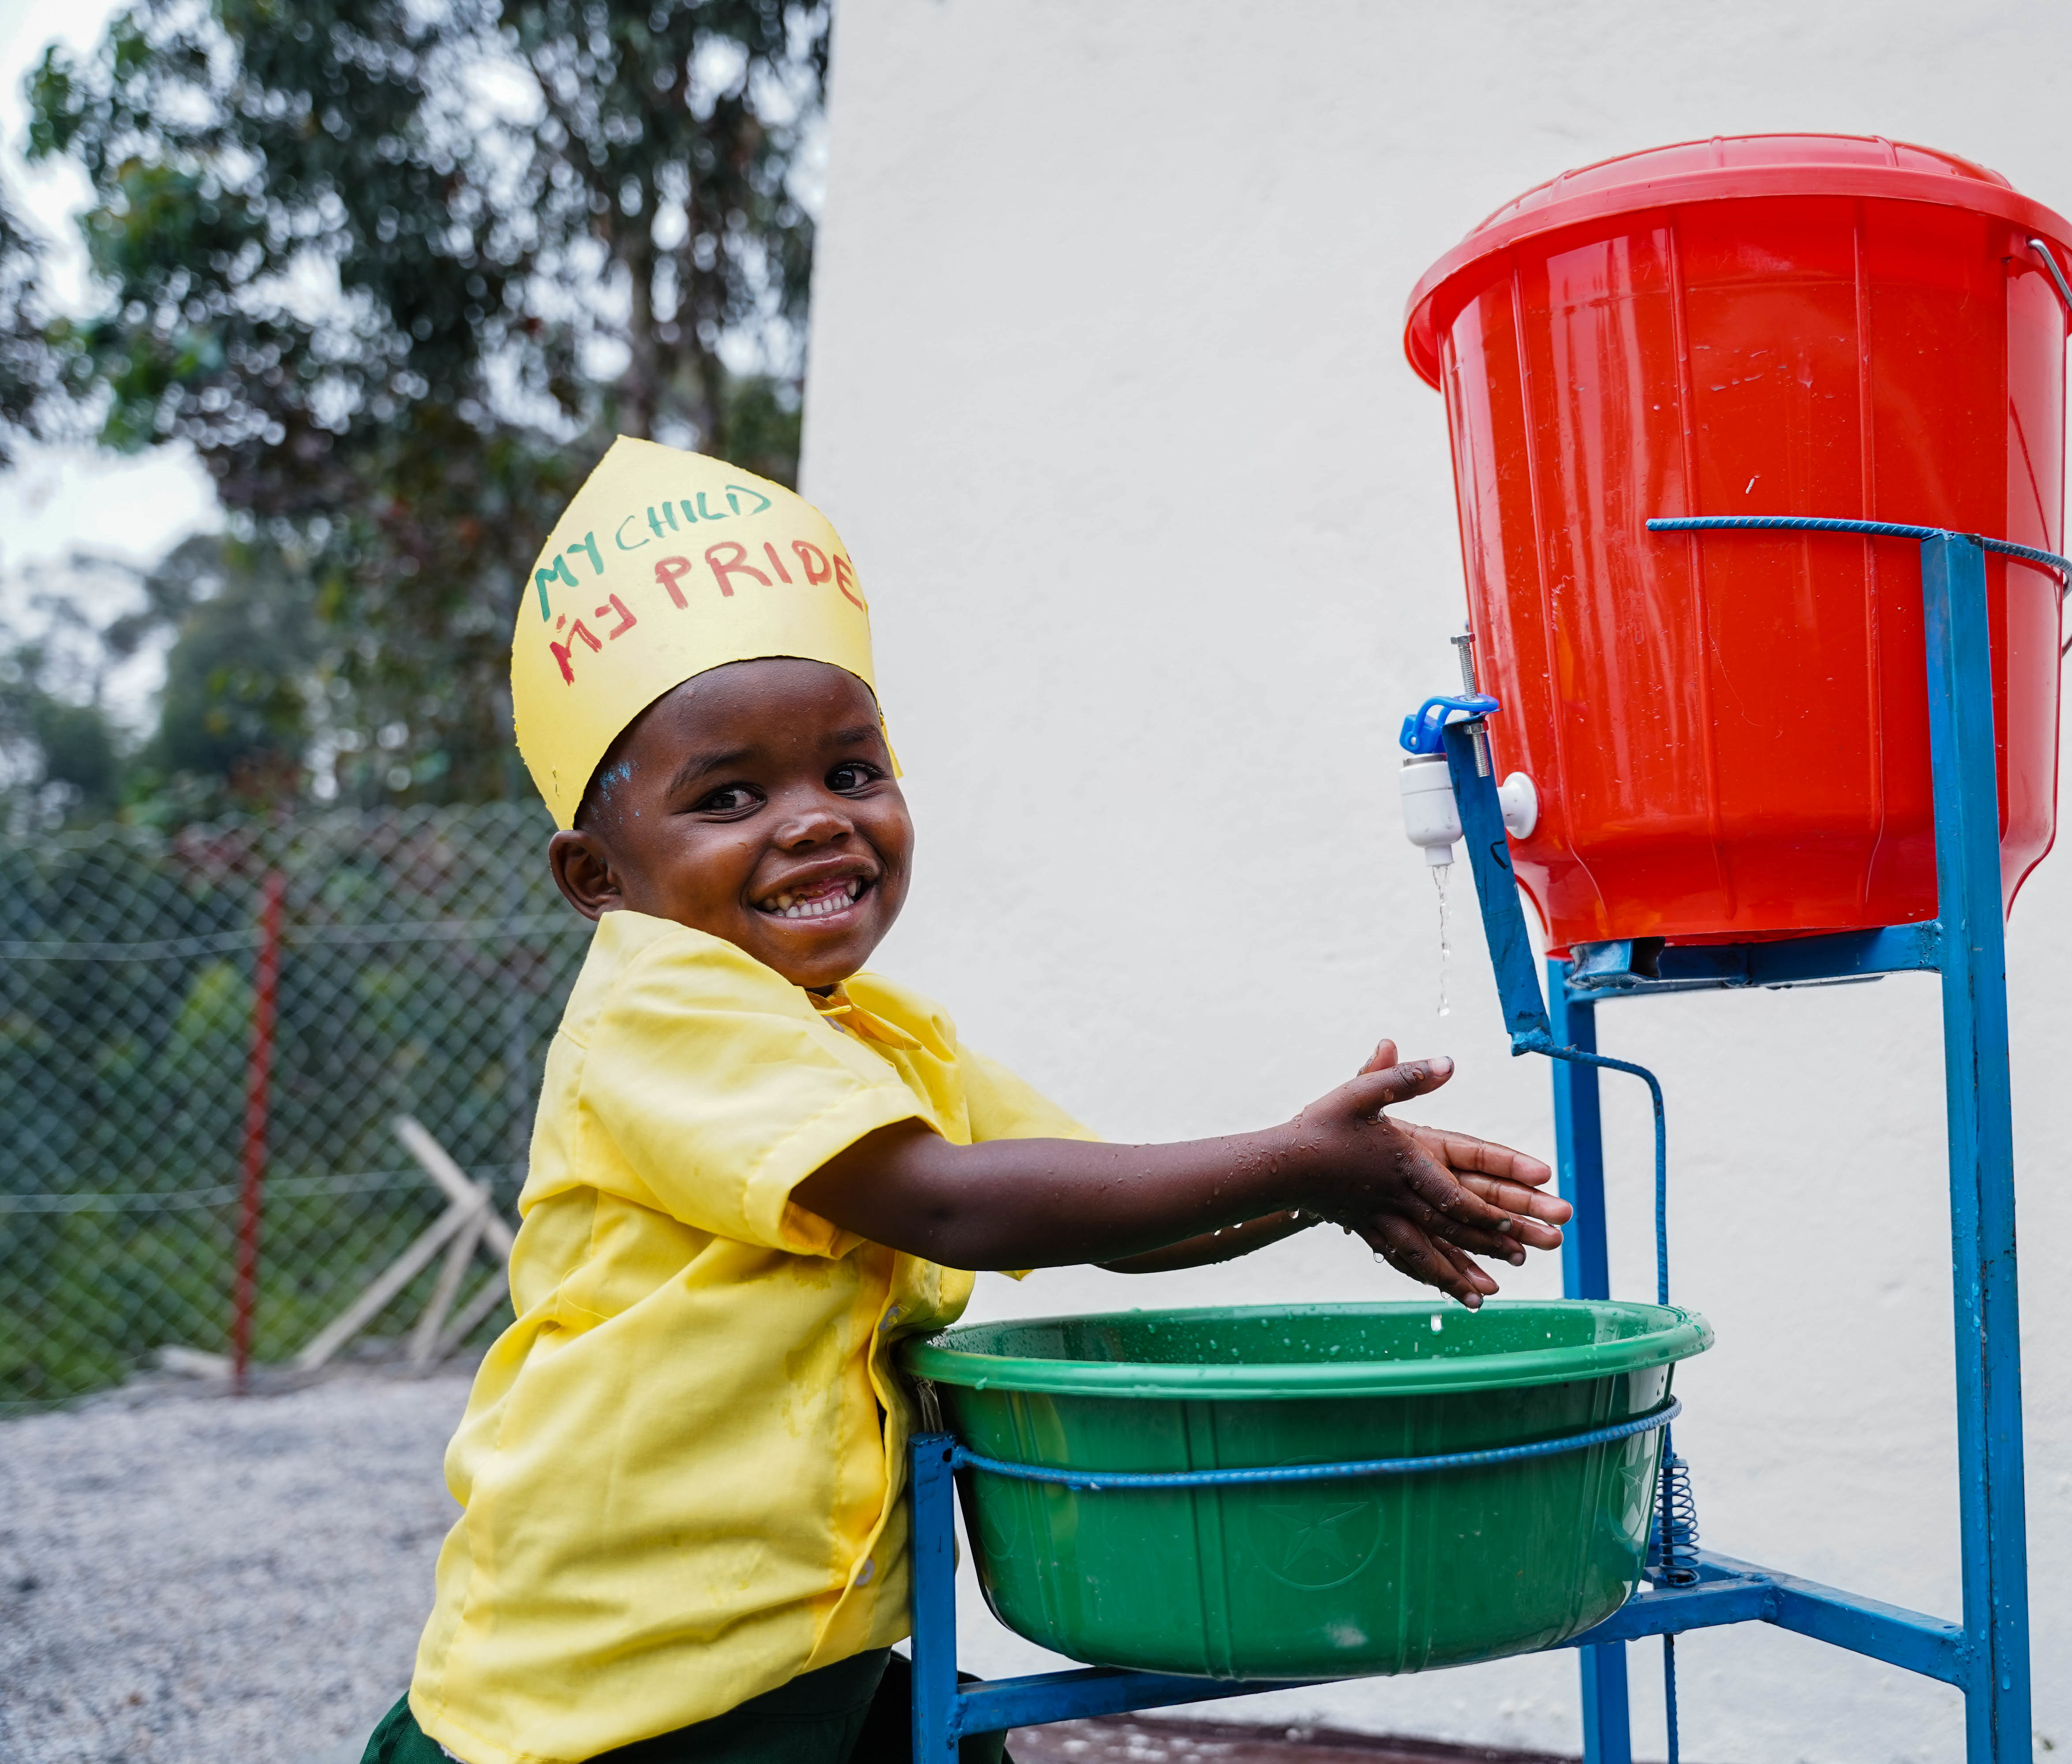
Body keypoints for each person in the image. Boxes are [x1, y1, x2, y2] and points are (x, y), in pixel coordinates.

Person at [364, 438, 1567, 1764]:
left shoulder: (875, 1039)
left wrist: (1324, 1181)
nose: (818, 820)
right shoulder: (659, 1009)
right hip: (612, 1675)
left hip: (794, 1641)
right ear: (598, 875)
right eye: (730, 796)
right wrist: (1300, 1161)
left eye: (852, 772)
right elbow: (952, 1205)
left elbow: (1101, 1208)